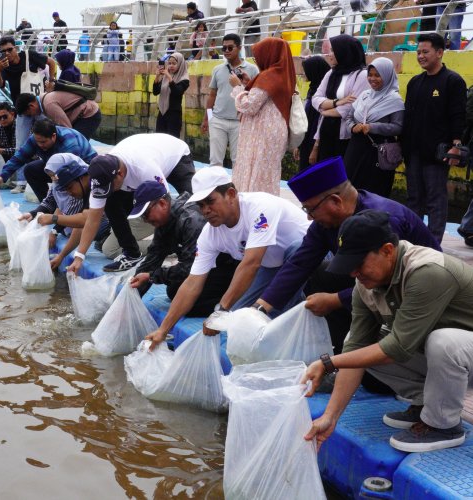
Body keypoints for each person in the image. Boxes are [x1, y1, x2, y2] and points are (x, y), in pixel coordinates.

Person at [303, 209, 473, 453]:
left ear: (387, 250)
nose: (353, 273)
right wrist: (330, 417)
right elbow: (355, 349)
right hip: (462, 357)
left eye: (358, 263)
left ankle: (443, 425)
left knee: (443, 341)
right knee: (358, 344)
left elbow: (398, 348)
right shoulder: (365, 285)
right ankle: (426, 403)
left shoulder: (427, 271)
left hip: (463, 351)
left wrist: (328, 363)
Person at [254, 156, 441, 355]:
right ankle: (339, 348)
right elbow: (300, 263)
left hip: (411, 294)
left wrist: (335, 300)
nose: (309, 217)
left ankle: (360, 348)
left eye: (310, 209)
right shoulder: (324, 224)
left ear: (335, 201)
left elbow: (388, 282)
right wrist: (260, 308)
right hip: (369, 281)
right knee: (320, 274)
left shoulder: (384, 220)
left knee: (372, 372)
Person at [143, 167, 310, 350]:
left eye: (210, 201)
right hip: (272, 267)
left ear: (230, 194)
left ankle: (302, 298)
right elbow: (192, 282)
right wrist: (163, 330)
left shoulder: (260, 208)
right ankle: (295, 299)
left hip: (313, 259)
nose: (206, 210)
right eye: (201, 205)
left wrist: (220, 311)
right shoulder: (210, 233)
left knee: (266, 320)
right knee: (239, 318)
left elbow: (251, 263)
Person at [66, 134, 197, 274]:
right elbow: (93, 219)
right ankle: (131, 253)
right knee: (111, 202)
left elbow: (166, 208)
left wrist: (165, 248)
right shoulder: (101, 176)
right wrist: (79, 257)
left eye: (108, 186)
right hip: (141, 154)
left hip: (175, 155)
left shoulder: (144, 169)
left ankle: (195, 243)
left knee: (194, 203)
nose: (105, 191)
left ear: (120, 174)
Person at [128, 181, 239, 316]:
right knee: (173, 290)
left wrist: (152, 276)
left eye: (145, 214)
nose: (145, 220)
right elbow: (152, 260)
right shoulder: (164, 223)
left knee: (189, 306)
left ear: (163, 204)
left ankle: (238, 300)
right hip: (203, 267)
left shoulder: (191, 220)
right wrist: (131, 299)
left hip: (225, 266)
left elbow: (190, 267)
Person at [402, 32, 467, 244]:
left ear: (439, 53)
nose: (420, 56)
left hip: (437, 153)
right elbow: (408, 117)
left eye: (425, 52)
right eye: (418, 52)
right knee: (414, 199)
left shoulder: (453, 81)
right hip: (413, 151)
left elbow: (458, 115)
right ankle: (413, 240)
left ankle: (432, 244)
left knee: (435, 199)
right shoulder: (414, 82)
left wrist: (456, 146)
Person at [24, 154, 114, 269]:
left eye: (70, 188)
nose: (69, 192)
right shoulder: (85, 187)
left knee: (110, 249)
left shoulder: (95, 186)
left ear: (81, 178)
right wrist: (62, 256)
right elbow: (80, 226)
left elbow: (85, 220)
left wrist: (54, 220)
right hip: (117, 215)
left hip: (134, 214)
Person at [229, 37, 295, 194]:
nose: (257, 59)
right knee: (266, 173)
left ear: (269, 54)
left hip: (262, 132)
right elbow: (266, 98)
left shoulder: (269, 76)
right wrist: (248, 83)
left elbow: (249, 106)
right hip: (273, 131)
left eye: (259, 55)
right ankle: (266, 206)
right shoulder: (283, 74)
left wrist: (237, 87)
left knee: (255, 172)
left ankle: (253, 207)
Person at [0, 118, 97, 201]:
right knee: (30, 170)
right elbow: (19, 157)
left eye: (43, 142)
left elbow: (71, 172)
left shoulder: (69, 143)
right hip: (57, 167)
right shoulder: (35, 139)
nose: (40, 145)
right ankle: (48, 206)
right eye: (37, 142)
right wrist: (3, 176)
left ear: (53, 136)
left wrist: (56, 179)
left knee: (66, 184)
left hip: (85, 170)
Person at [343, 57, 405, 198]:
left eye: (378, 75)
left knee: (372, 190)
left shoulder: (394, 99)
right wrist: (353, 127)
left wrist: (372, 127)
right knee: (350, 187)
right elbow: (348, 117)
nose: (372, 79)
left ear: (387, 75)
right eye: (370, 75)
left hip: (377, 151)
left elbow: (398, 127)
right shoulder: (365, 95)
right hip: (356, 149)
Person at [201, 33, 259, 167]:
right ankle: (216, 187)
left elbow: (256, 95)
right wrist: (206, 119)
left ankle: (237, 188)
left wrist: (242, 84)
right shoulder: (217, 69)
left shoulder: (252, 69)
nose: (226, 51)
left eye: (230, 48)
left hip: (240, 121)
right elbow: (212, 95)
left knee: (238, 161)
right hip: (218, 119)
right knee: (215, 161)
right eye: (224, 48)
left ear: (239, 48)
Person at [311, 35, 369, 163]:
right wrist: (336, 102)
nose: (329, 54)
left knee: (342, 176)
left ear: (344, 52)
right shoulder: (331, 73)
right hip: (327, 133)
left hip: (346, 136)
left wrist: (324, 111)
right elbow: (315, 99)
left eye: (333, 50)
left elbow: (351, 108)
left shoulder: (362, 75)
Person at [16, 91, 102, 140]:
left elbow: (68, 129)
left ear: (31, 106)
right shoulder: (44, 98)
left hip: (89, 114)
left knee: (77, 142)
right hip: (81, 115)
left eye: (30, 114)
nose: (32, 116)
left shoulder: (48, 105)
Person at [0, 35, 57, 102]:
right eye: (3, 51)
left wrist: (51, 81)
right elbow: (0, 85)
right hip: (20, 105)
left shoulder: (28, 55)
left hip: (36, 101)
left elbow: (51, 62)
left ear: (15, 48)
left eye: (10, 49)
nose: (7, 53)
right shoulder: (4, 65)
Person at [296, 56, 331, 171]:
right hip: (306, 142)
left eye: (306, 70)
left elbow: (319, 123)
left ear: (314, 71)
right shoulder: (312, 90)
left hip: (315, 144)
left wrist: (315, 148)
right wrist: (299, 145)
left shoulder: (324, 95)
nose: (303, 73)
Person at [153, 52, 190, 138]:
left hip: (174, 115)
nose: (171, 66)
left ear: (180, 64)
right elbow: (155, 92)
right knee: (160, 139)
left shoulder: (184, 79)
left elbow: (177, 92)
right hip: (162, 113)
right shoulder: (165, 77)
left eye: (174, 63)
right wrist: (157, 77)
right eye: (169, 63)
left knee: (172, 141)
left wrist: (169, 77)